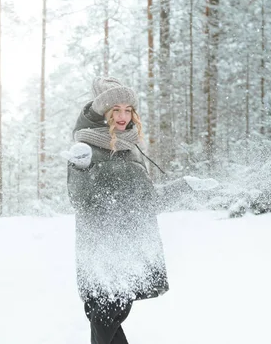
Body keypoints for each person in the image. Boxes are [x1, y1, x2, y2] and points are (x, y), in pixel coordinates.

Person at [62, 76, 169, 344]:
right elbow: (79, 200)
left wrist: (186, 188)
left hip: (131, 245)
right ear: (103, 112)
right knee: (105, 314)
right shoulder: (85, 146)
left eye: (128, 109)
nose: (123, 116)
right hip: (101, 248)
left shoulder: (131, 147)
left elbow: (148, 201)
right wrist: (79, 169)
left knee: (111, 314)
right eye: (116, 109)